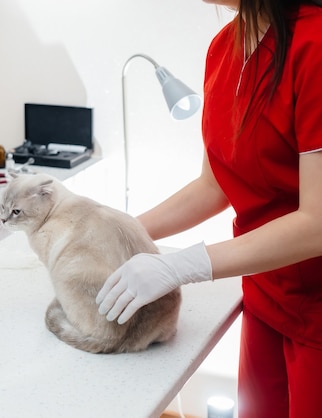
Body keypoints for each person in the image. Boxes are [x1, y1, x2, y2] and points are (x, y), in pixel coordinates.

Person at [96, 0, 322, 416]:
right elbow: (214, 185)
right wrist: (117, 230)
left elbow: (317, 223)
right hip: (266, 298)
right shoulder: (224, 48)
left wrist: (182, 266)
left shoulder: (315, 45)